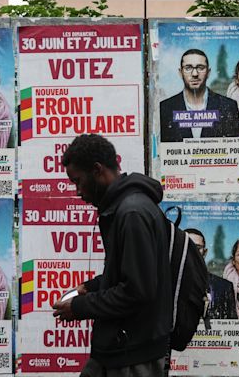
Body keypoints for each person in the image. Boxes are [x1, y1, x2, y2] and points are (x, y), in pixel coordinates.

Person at [53, 134, 172, 377]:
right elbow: (130, 272)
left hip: (134, 354)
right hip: (119, 347)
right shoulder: (123, 208)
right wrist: (91, 286)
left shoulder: (132, 214)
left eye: (78, 181)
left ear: (97, 170)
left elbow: (138, 291)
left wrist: (80, 307)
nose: (77, 192)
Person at [160, 49, 239, 142]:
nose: (195, 74)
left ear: (208, 72)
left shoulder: (228, 106)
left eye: (200, 68)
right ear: (180, 72)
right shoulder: (165, 108)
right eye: (188, 68)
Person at [185, 228, 237, 320]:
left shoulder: (224, 287)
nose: (191, 252)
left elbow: (231, 326)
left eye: (197, 248)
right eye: (186, 246)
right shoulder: (164, 285)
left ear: (204, 253)